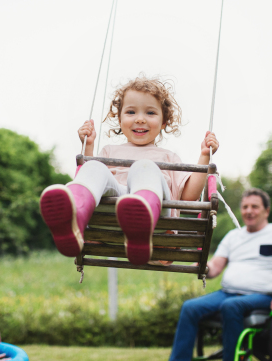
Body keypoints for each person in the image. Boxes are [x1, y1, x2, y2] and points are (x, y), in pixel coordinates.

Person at [39, 76, 219, 265]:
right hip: (110, 217)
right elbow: (95, 180)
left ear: (164, 121)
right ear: (120, 118)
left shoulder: (168, 157)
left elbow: (189, 197)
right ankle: (76, 218)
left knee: (145, 167)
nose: (140, 119)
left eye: (150, 113)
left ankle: (141, 218)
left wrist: (205, 156)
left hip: (158, 224)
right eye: (131, 112)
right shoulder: (109, 151)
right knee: (93, 166)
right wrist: (88, 147)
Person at [169, 188, 272, 361]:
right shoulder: (233, 236)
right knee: (190, 308)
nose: (249, 211)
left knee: (231, 306)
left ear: (266, 211)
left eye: (254, 207)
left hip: (263, 296)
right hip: (227, 294)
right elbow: (215, 267)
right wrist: (203, 266)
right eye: (245, 207)